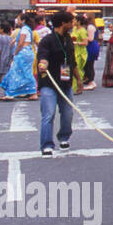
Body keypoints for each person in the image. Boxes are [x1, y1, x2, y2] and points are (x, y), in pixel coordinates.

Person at [36, 10, 79, 157]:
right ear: (63, 23)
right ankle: (47, 145)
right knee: (48, 114)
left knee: (68, 113)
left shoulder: (68, 39)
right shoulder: (47, 40)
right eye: (71, 22)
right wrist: (43, 63)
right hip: (49, 82)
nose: (73, 24)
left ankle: (64, 137)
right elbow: (42, 56)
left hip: (66, 82)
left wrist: (78, 79)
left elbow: (72, 61)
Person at [0, 14, 39, 100]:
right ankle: (31, 92)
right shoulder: (27, 29)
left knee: (16, 71)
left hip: (23, 53)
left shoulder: (24, 29)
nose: (17, 21)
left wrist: (16, 52)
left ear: (23, 20)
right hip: (28, 52)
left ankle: (11, 93)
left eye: (18, 19)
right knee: (25, 72)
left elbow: (21, 43)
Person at [70, 15, 89, 95]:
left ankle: (77, 87)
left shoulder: (83, 31)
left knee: (77, 70)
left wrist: (76, 43)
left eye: (74, 21)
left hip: (80, 52)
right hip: (73, 51)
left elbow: (85, 43)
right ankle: (71, 87)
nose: (73, 22)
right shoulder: (74, 29)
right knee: (70, 69)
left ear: (79, 21)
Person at [83, 19, 100, 90]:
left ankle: (91, 81)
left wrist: (81, 38)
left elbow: (90, 38)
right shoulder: (90, 26)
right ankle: (88, 80)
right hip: (91, 46)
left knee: (89, 64)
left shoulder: (90, 27)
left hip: (91, 47)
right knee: (88, 64)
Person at [0, 21, 14, 86]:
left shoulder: (0, 37)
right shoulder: (11, 39)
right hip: (7, 62)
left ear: (2, 29)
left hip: (0, 61)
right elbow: (12, 53)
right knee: (4, 79)